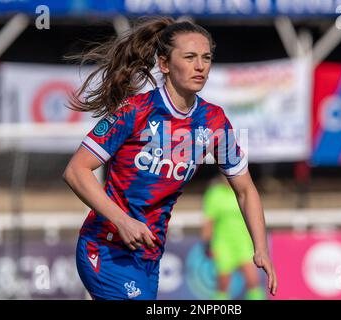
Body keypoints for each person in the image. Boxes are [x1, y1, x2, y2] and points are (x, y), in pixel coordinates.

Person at [63, 16, 277, 300]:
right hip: (105, 249)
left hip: (148, 257)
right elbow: (76, 171)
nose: (200, 66)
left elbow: (246, 189)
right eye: (189, 57)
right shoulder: (135, 111)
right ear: (164, 64)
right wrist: (122, 221)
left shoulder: (213, 121)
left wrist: (260, 248)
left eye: (206, 58)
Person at [202, 175, 267, 300]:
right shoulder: (215, 194)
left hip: (244, 243)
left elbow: (256, 216)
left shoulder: (245, 190)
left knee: (253, 281)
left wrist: (260, 243)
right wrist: (207, 244)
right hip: (223, 244)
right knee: (223, 284)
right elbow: (209, 221)